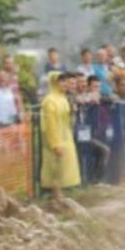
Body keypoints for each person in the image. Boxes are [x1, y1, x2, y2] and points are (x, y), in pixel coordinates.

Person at [39, 71, 81, 200]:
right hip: (56, 139)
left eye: (65, 81)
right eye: (61, 81)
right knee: (54, 168)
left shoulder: (63, 98)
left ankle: (60, 195)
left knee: (64, 168)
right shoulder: (49, 101)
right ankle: (55, 197)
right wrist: (55, 144)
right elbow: (50, 125)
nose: (64, 84)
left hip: (66, 137)